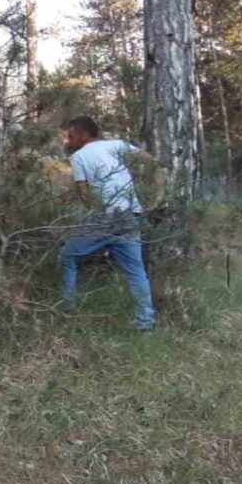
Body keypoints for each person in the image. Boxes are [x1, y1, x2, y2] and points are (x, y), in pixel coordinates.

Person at [60, 117, 165, 331]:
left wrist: (90, 212)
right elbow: (151, 162)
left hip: (104, 216)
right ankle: (145, 321)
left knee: (67, 257)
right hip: (129, 214)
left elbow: (83, 192)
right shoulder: (116, 145)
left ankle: (65, 309)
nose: (67, 141)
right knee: (135, 270)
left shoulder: (79, 156)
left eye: (70, 136)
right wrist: (158, 196)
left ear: (83, 136)